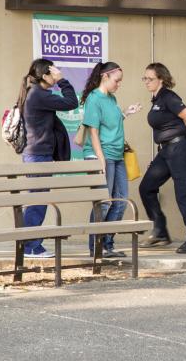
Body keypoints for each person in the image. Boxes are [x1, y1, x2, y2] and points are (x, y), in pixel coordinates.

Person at [138, 63, 186, 254]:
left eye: (150, 78)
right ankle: (160, 231)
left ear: (161, 78)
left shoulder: (169, 97)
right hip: (166, 151)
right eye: (144, 78)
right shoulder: (157, 100)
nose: (146, 82)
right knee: (146, 188)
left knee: (184, 194)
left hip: (178, 150)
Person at [80, 62, 142, 258]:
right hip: (103, 156)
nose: (119, 84)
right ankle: (95, 247)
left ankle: (107, 244)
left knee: (121, 201)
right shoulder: (94, 99)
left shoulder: (112, 98)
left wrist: (125, 113)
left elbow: (110, 124)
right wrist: (101, 161)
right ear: (105, 77)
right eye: (117, 80)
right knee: (104, 203)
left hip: (117, 155)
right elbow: (94, 131)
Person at [17, 58, 78, 258]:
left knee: (38, 199)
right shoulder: (38, 95)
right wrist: (62, 81)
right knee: (38, 201)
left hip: (37, 155)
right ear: (45, 76)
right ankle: (30, 246)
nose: (56, 74)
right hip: (38, 156)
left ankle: (30, 245)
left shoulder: (34, 94)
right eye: (53, 72)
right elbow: (71, 102)